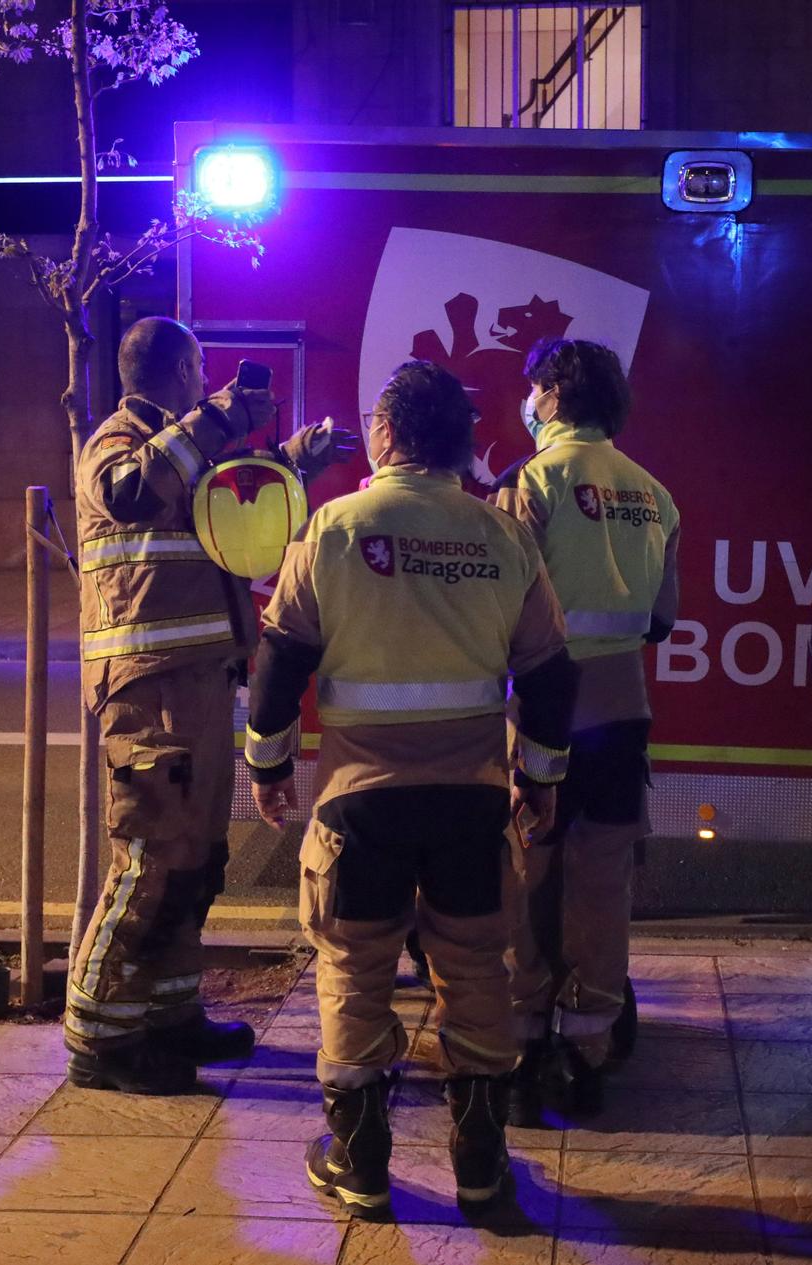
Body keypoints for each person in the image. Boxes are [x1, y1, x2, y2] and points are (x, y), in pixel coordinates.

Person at [244, 360, 577, 1213]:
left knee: (353, 968)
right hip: (471, 801)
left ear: (386, 434)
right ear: (462, 443)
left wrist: (269, 764)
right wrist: (539, 782)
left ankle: (358, 1160)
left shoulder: (333, 527)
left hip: (361, 801)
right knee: (475, 972)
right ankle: (481, 1162)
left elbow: (281, 657)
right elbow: (548, 675)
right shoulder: (502, 536)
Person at [66, 316, 356, 1095]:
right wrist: (221, 416)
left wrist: (298, 458)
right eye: (201, 371)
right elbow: (133, 494)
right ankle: (98, 1035)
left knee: (195, 861)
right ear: (182, 368)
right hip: (147, 687)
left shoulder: (186, 449)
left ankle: (169, 1013)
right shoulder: (115, 443)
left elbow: (230, 509)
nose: (208, 384)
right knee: (147, 858)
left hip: (196, 680)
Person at [491, 339, 678, 1123]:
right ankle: (589, 1049)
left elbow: (503, 609)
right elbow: (661, 620)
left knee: (528, 873)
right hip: (621, 713)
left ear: (553, 393)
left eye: (533, 387)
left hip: (543, 713)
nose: (526, 400)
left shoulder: (528, 483)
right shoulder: (654, 493)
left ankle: (526, 1038)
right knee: (602, 886)